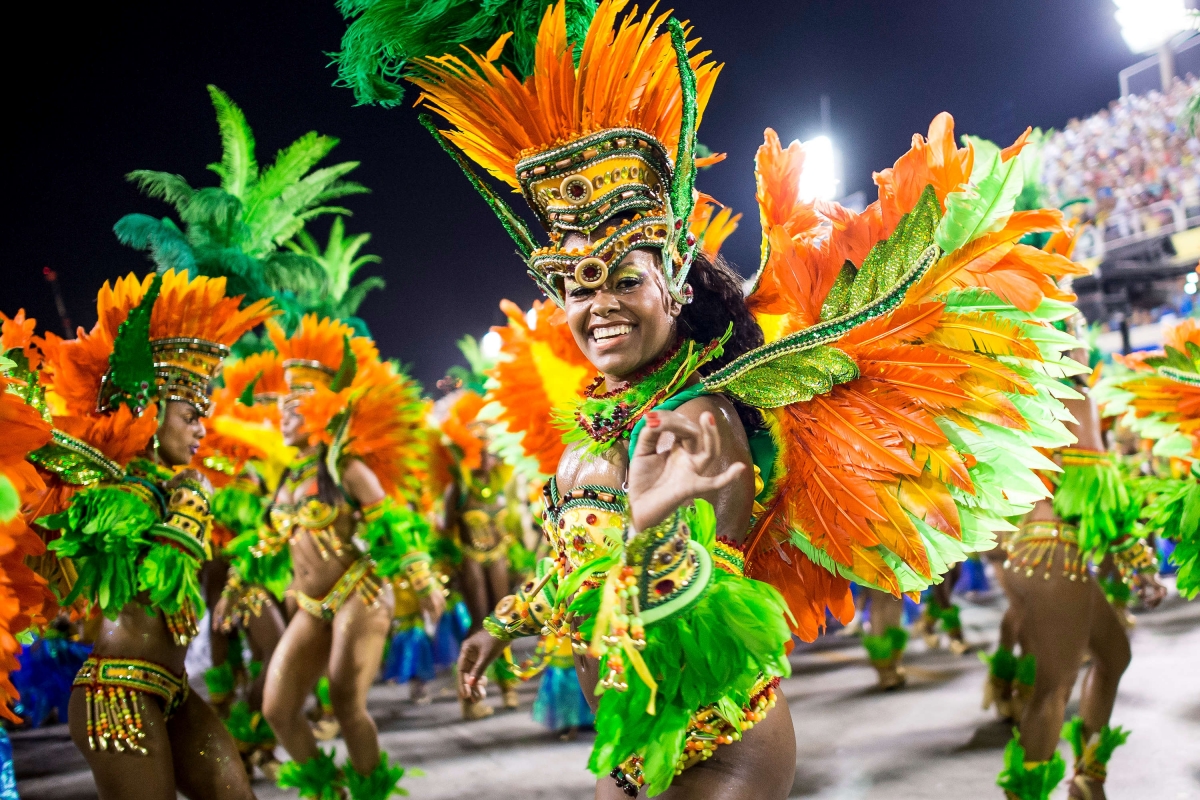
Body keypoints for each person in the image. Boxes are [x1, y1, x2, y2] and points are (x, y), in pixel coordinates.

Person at [334, 2, 1091, 795]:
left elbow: (719, 608)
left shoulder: (698, 417)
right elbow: (576, 562)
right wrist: (506, 621)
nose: (600, 306)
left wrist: (666, 538)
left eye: (625, 279)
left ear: (675, 285)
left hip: (718, 738)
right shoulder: (600, 418)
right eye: (575, 287)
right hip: (633, 738)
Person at [32, 270, 273, 800]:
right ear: (151, 414)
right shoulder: (111, 495)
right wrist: (188, 503)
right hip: (117, 692)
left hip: (173, 690)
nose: (201, 430)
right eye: (190, 416)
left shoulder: (172, 488)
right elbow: (151, 576)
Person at [255, 314, 440, 800]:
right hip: (311, 605)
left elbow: (394, 526)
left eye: (295, 407)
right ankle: (328, 790)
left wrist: (421, 580)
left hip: (360, 592)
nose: (283, 416)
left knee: (344, 701)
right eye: (282, 407)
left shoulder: (346, 468)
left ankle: (369, 791)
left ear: (321, 411)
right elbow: (266, 546)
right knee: (277, 708)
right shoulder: (287, 479)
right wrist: (239, 582)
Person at [201, 350, 295, 779]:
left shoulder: (276, 453)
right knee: (237, 655)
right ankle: (239, 742)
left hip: (263, 569)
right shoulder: (210, 446)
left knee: (271, 653)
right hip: (226, 574)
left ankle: (254, 740)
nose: (272, 410)